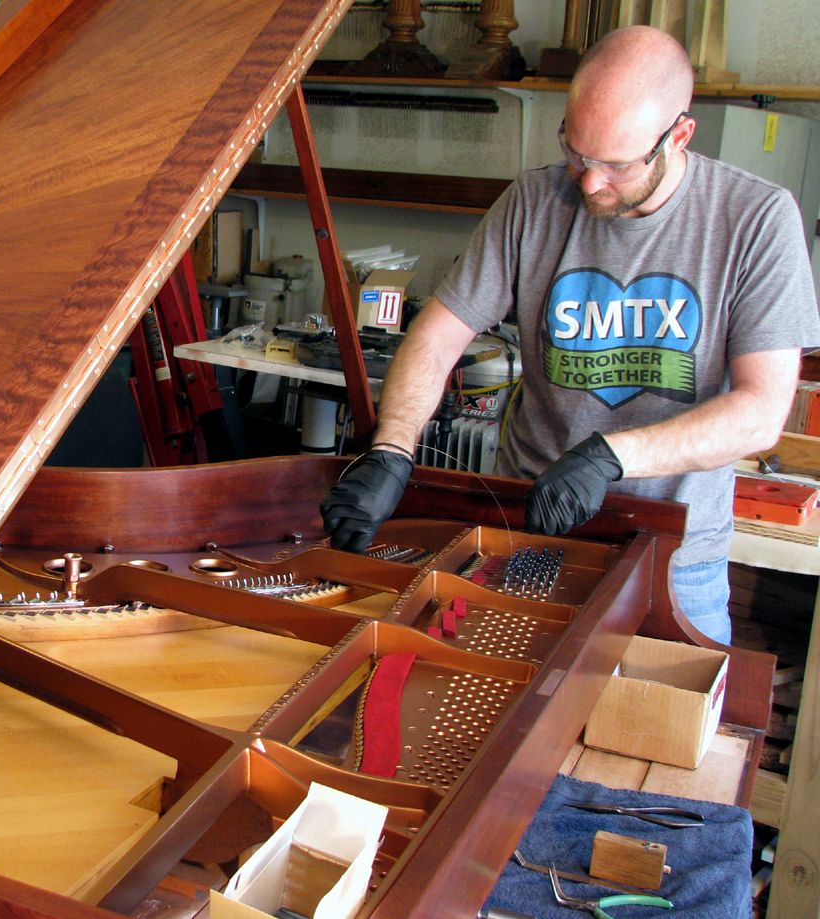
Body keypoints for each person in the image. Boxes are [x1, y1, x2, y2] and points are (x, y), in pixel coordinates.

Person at [320, 25, 820, 644]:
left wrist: (612, 457)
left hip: (669, 553)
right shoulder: (533, 201)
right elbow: (438, 336)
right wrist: (392, 450)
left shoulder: (757, 220)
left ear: (679, 134)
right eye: (576, 152)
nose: (588, 183)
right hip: (531, 532)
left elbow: (761, 412)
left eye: (615, 164)